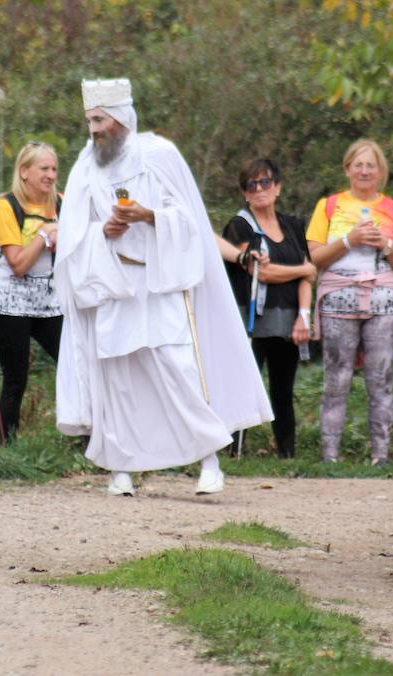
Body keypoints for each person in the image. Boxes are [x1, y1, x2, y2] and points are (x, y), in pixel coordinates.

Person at [55, 78, 273, 497]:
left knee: (179, 369)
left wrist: (148, 215)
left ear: (119, 119)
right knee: (117, 377)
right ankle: (121, 467)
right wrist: (107, 230)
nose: (94, 130)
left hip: (159, 282)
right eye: (89, 122)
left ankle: (209, 460)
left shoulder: (159, 154)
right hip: (113, 282)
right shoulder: (85, 168)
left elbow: (189, 220)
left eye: (100, 120)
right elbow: (74, 234)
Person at [305, 139, 393, 466]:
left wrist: (386, 245)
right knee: (336, 379)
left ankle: (380, 456)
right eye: (359, 164)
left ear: (381, 171)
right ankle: (330, 457)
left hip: (385, 303)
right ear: (347, 168)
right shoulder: (328, 206)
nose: (365, 171)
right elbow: (314, 258)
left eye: (371, 165)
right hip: (337, 301)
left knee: (380, 379)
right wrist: (349, 240)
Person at [221, 159, 315, 459]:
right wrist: (301, 270)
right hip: (251, 321)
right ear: (245, 194)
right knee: (244, 386)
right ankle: (234, 451)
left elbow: (309, 276)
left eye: (265, 182)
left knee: (283, 391)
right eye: (251, 184)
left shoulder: (294, 225)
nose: (259, 189)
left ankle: (288, 454)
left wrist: (304, 315)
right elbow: (261, 272)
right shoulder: (239, 226)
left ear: (278, 187)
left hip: (288, 319)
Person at [0, 141, 64, 439]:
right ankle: (8, 445)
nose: (50, 174)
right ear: (24, 171)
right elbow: (17, 264)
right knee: (16, 376)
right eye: (43, 168)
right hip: (11, 302)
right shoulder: (6, 206)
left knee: (74, 364)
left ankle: (85, 436)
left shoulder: (61, 202)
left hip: (50, 301)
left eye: (54, 168)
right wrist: (44, 235)